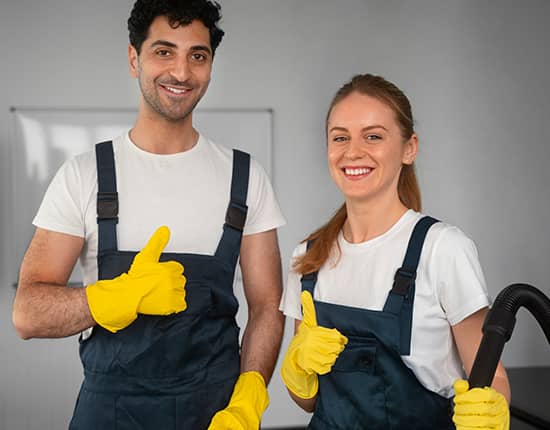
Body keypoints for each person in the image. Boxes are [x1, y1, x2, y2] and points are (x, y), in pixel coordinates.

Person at [12, 1, 285, 429]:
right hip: (110, 414)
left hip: (215, 415)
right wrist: (112, 298)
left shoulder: (246, 177)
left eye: (198, 55)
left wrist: (251, 394)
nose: (181, 72)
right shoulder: (84, 176)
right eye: (164, 51)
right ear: (133, 57)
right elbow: (27, 313)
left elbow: (268, 305)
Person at [279, 73, 511, 429]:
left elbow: (489, 375)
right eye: (340, 137)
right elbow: (309, 403)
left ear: (409, 148)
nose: (352, 152)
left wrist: (492, 411)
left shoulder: (442, 249)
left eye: (373, 136)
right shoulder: (309, 257)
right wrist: (297, 372)